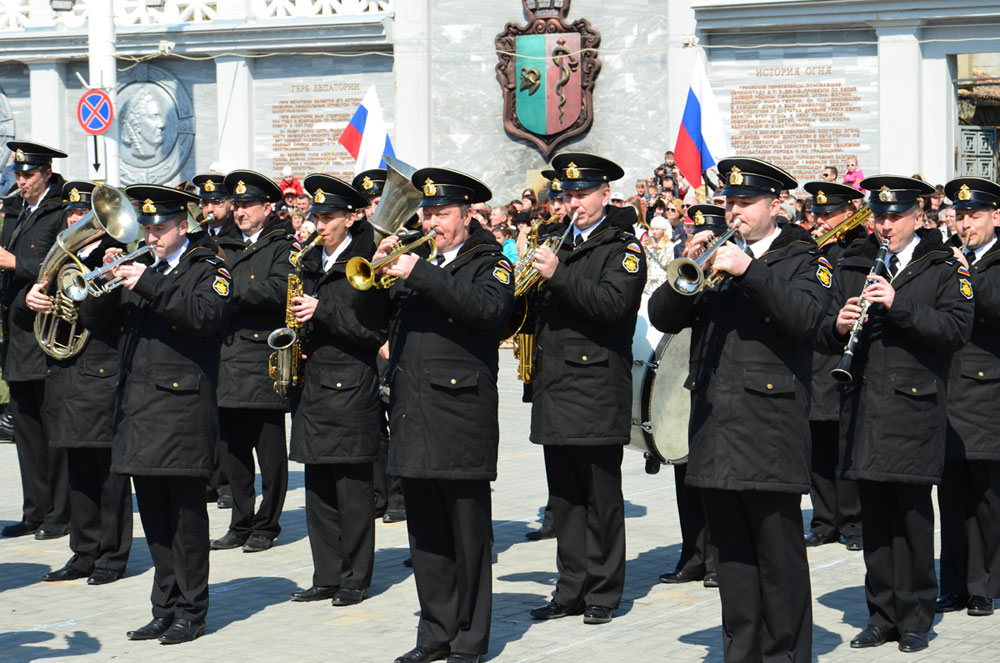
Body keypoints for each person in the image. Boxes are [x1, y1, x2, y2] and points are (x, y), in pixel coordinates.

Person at [649, 157, 830, 663]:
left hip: (770, 428)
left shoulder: (803, 257)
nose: (734, 212)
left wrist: (750, 271)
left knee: (779, 559)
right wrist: (684, 276)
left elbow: (812, 320)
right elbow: (663, 317)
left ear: (776, 205)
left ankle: (788, 655)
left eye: (746, 203)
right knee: (732, 560)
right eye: (730, 202)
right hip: (715, 427)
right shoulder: (715, 256)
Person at [358, 167, 513, 663]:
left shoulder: (489, 261)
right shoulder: (412, 260)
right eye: (426, 213)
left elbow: (488, 312)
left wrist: (418, 272)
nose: (431, 222)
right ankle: (434, 634)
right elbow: (369, 325)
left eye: (441, 213)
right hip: (412, 413)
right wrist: (376, 281)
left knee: (468, 538)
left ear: (467, 216)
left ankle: (470, 640)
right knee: (425, 538)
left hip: (460, 415)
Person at [819, 175, 974, 653]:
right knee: (876, 524)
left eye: (895, 217)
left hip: (913, 410)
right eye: (880, 216)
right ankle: (880, 616)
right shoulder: (857, 261)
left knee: (910, 521)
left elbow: (956, 328)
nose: (885, 226)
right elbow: (823, 324)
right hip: (864, 410)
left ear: (918, 217)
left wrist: (898, 303)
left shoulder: (943, 266)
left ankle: (914, 618)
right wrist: (837, 324)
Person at [81, 184, 232, 644]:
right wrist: (104, 284)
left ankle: (192, 610)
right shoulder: (138, 266)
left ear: (182, 227)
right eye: (146, 227)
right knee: (156, 520)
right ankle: (163, 607)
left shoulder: (208, 269)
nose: (151, 235)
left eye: (160, 227)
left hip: (183, 410)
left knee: (186, 520)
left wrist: (146, 282)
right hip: (140, 412)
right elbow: (94, 322)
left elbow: (204, 317)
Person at [527, 152, 645, 626]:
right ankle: (570, 588)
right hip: (555, 386)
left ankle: (603, 591)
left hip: (596, 387)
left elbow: (612, 306)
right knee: (565, 501)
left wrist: (557, 274)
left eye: (581, 193)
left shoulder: (623, 247)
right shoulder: (556, 239)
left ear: (605, 195)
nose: (572, 202)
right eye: (566, 194)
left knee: (600, 499)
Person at [24, 181, 132, 584]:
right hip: (63, 376)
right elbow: (26, 317)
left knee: (107, 471)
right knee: (77, 472)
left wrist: (101, 277)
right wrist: (31, 298)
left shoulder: (110, 259)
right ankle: (82, 551)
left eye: (85, 215)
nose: (77, 221)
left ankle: (112, 556)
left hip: (99, 374)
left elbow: (101, 319)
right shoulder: (58, 262)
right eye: (74, 216)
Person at [287, 174, 385, 607]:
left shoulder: (367, 262)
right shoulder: (308, 260)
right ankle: (325, 574)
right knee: (319, 489)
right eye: (316, 215)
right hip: (314, 385)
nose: (319, 224)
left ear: (351, 217)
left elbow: (371, 330)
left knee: (352, 491)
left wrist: (321, 311)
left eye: (328, 217)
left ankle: (355, 578)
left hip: (351, 384)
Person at [210, 170, 296, 553]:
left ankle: (268, 522)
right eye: (237, 205)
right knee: (232, 448)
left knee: (270, 449)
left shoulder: (283, 243)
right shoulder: (219, 242)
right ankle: (240, 520)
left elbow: (281, 289)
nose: (240, 211)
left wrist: (230, 291)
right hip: (226, 358)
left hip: (264, 358)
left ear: (267, 207)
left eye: (247, 205)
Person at [935, 177, 1000, 618]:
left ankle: (985, 585)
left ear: (996, 216)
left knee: (988, 498)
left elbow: (994, 305)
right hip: (948, 394)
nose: (965, 224)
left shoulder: (991, 263)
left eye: (973, 215)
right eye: (959, 216)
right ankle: (954, 583)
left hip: (988, 394)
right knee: (952, 499)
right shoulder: (946, 259)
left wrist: (966, 272)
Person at [0, 141, 71, 540]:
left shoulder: (59, 214)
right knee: (25, 427)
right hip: (16, 335)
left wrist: (14, 263)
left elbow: (61, 266)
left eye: (27, 175)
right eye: (18, 175)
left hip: (45, 335)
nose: (20, 182)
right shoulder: (15, 211)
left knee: (52, 427)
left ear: (45, 172)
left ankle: (60, 514)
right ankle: (35, 510)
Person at [802, 181, 866, 552]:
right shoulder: (810, 248)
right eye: (818, 213)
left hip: (843, 359)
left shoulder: (859, 249)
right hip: (811, 355)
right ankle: (824, 520)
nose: (822, 220)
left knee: (847, 445)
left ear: (848, 212)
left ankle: (854, 521)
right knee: (816, 447)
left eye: (829, 213)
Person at [351, 168, 407, 523]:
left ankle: (400, 496)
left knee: (400, 420)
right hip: (366, 342)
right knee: (372, 423)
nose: (375, 211)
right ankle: (378, 494)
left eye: (379, 202)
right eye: (370, 205)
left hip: (395, 344)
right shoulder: (356, 243)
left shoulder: (406, 239)